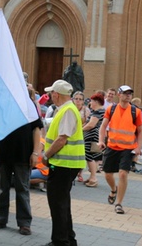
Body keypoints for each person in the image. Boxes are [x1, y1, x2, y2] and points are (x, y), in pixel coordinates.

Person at [0, 93, 42, 236]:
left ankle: (24, 223)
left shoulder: (29, 107)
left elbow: (37, 130)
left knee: (22, 189)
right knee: (1, 187)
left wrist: (35, 152)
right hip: (3, 154)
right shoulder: (2, 106)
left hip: (23, 155)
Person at [41, 79, 85, 246]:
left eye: (52, 92)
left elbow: (62, 139)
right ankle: (68, 239)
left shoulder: (66, 110)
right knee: (63, 203)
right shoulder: (67, 109)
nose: (51, 95)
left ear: (56, 94)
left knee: (58, 204)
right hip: (66, 164)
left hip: (63, 164)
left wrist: (46, 156)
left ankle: (60, 241)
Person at [99, 85, 142, 215]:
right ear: (119, 95)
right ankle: (114, 189)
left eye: (130, 93)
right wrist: (101, 140)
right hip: (112, 146)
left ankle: (118, 203)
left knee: (123, 174)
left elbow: (140, 131)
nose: (128, 95)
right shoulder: (111, 109)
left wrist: (138, 147)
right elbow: (103, 127)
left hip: (128, 149)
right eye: (125, 93)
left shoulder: (136, 112)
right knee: (107, 174)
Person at [81, 93, 105, 187]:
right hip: (95, 136)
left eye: (92, 101)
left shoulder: (98, 112)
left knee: (89, 156)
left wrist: (80, 130)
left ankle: (93, 178)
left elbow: (91, 124)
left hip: (92, 136)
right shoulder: (100, 111)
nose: (90, 103)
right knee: (94, 157)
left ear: (96, 102)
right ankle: (92, 176)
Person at [72, 91, 90, 182]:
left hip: (82, 134)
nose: (78, 101)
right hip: (71, 133)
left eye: (80, 99)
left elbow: (88, 122)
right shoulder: (70, 109)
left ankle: (80, 173)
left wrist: (81, 128)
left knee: (81, 154)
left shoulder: (85, 110)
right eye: (76, 99)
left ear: (83, 101)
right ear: (73, 99)